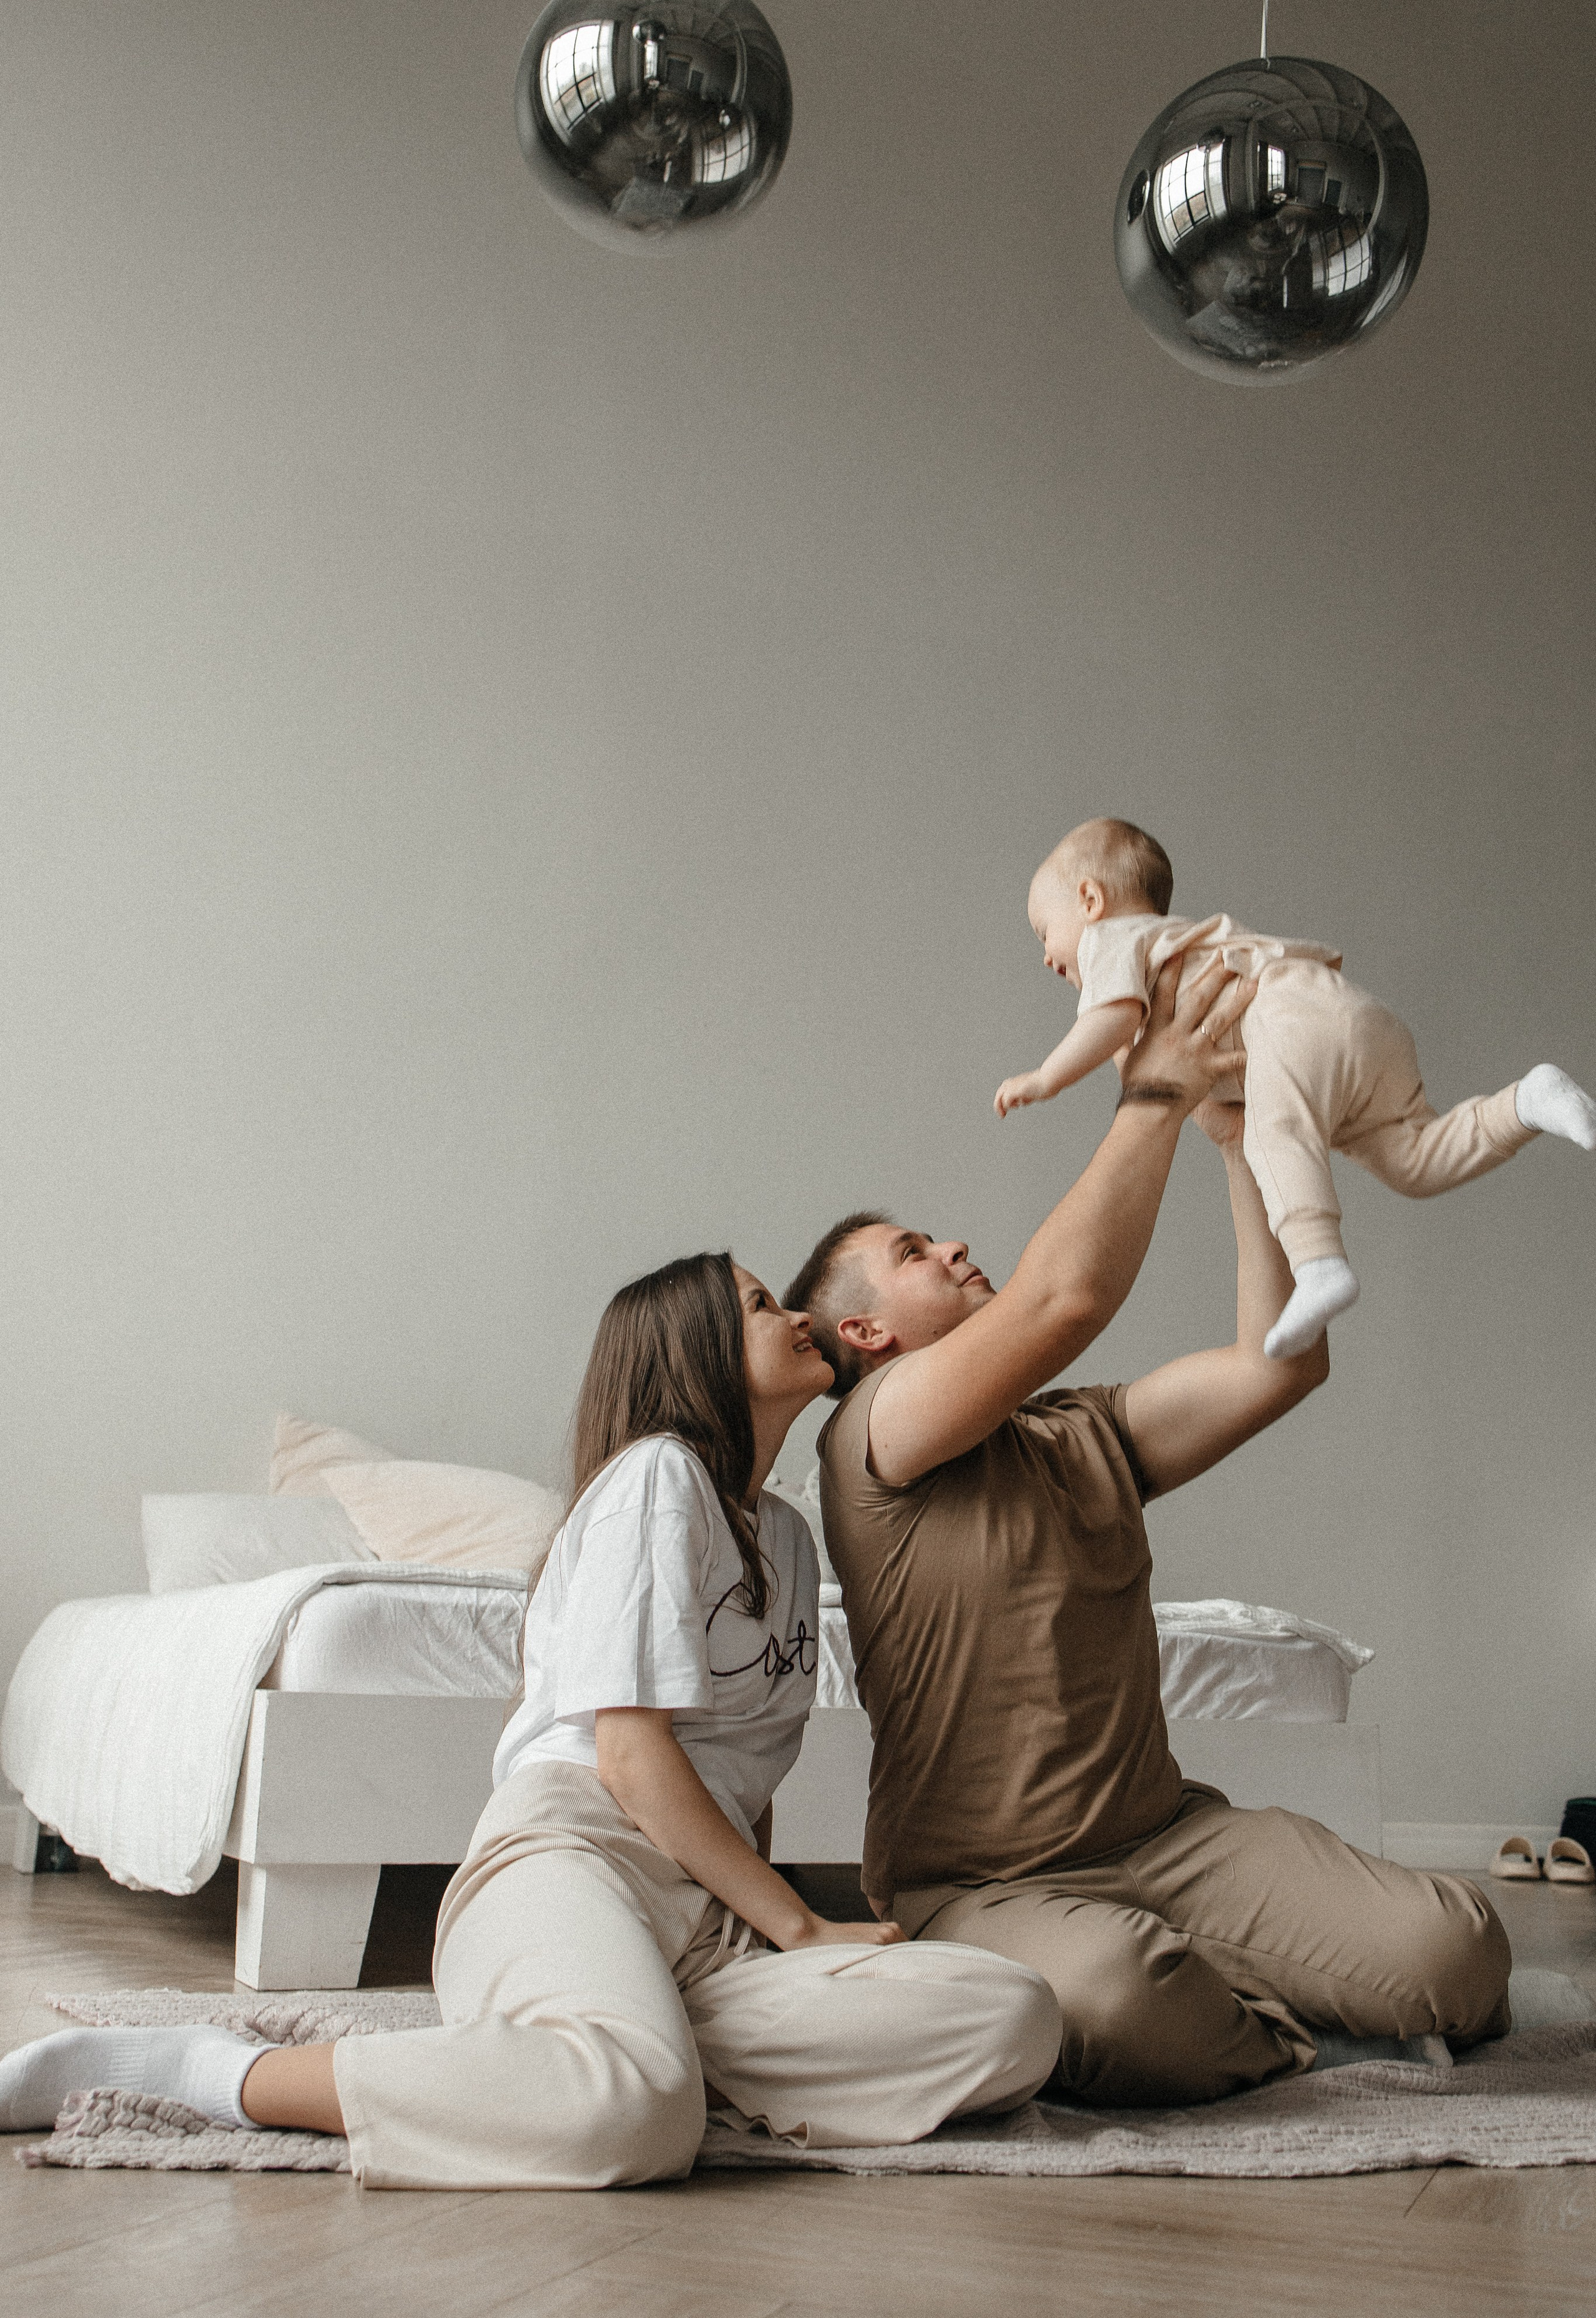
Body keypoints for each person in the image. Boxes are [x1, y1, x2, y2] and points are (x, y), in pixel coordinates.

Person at [0, 1254, 1060, 2183]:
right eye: (757, 1304)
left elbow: (744, 1774)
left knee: (1011, 2017)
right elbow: (634, 1760)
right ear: (691, 1352)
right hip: (572, 1856)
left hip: (703, 1916)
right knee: (628, 2113)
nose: (794, 1316)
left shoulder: (784, 1538)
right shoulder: (658, 1477)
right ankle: (217, 2071)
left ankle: (599, 2037)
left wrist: (760, 1931)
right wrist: (796, 1927)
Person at [786, 954, 1512, 2108]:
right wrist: (1156, 1090)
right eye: (915, 1252)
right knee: (1122, 1995)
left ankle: (1230, 2001)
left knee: (1460, 1955)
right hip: (982, 1887)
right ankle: (1274, 2024)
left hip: (1169, 1842)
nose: (954, 1245)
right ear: (863, 1331)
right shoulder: (874, 1435)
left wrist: (1240, 1139)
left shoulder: (1085, 1435)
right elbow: (1063, 1300)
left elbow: (1284, 1365)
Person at [994, 817, 1596, 1357]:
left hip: (1289, 1015)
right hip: (1354, 1023)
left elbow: (1111, 1019)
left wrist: (1047, 1077)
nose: (1046, 957)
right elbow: (1158, 1059)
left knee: (1273, 1134)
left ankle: (1320, 1265)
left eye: (1044, 932)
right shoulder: (1168, 948)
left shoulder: (1114, 941)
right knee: (1413, 1162)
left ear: (1091, 900)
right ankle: (1527, 1102)